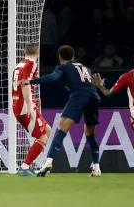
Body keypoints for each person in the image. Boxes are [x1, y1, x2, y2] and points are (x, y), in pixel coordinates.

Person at [21, 45, 102, 177]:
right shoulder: (85, 68)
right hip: (94, 97)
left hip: (78, 96)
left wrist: (31, 81)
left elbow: (53, 77)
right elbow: (90, 83)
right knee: (89, 133)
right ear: (73, 57)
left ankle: (48, 161)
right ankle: (97, 167)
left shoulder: (63, 67)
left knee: (62, 129)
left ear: (60, 59)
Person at [12, 43, 51, 176]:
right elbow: (24, 83)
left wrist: (32, 100)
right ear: (38, 53)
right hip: (25, 107)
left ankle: (29, 163)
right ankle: (24, 167)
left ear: (24, 51)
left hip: (19, 104)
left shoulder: (19, 65)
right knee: (42, 136)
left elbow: (18, 87)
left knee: (47, 130)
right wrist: (29, 103)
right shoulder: (31, 64)